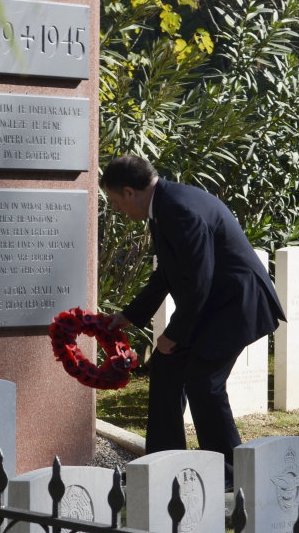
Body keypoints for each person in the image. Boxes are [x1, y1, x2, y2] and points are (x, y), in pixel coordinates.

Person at [103, 156, 285, 487]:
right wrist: (130, 315)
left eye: (116, 202)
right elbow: (168, 273)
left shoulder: (178, 210)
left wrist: (175, 333)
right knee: (167, 367)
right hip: (216, 305)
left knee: (204, 380)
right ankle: (162, 464)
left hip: (238, 305)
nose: (117, 210)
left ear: (130, 192)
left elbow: (199, 280)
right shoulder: (166, 205)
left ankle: (233, 472)